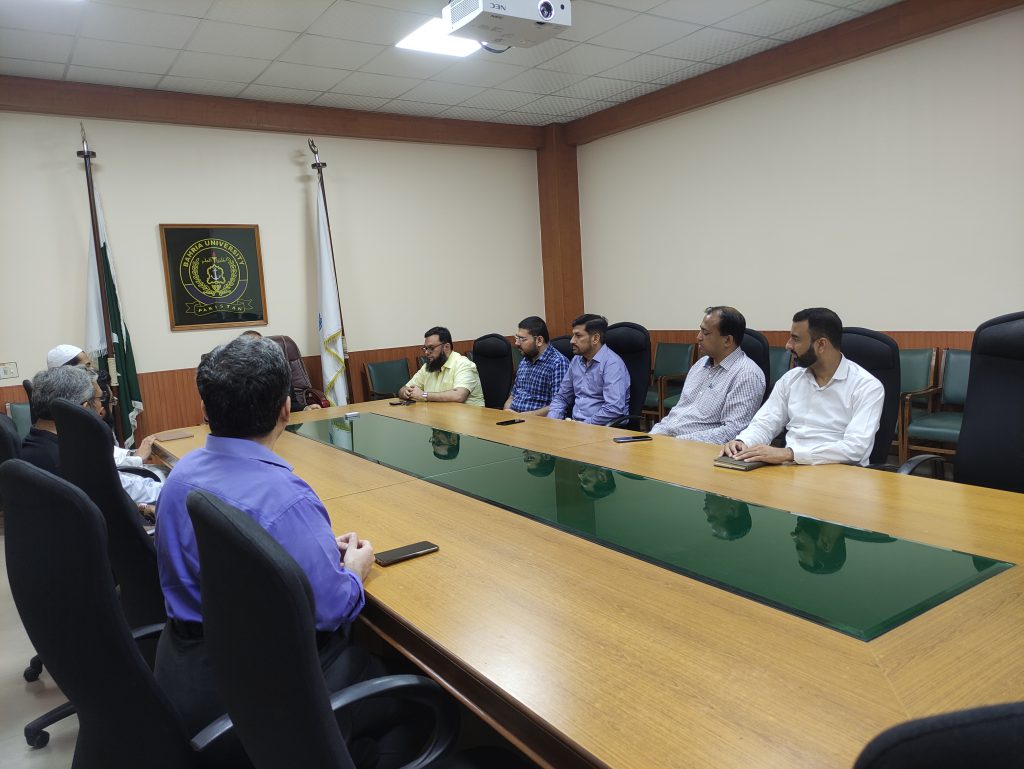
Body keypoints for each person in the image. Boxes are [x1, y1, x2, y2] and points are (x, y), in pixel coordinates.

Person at [153, 335, 380, 736]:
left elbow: (235, 556)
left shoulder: (181, 476)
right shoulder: (285, 500)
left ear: (204, 410)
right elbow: (330, 610)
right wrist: (354, 570)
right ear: (286, 409)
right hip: (263, 694)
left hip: (187, 672)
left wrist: (306, 551)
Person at [721, 307, 884, 466]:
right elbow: (765, 423)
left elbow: (855, 448)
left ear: (821, 344)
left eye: (796, 339)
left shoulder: (867, 386)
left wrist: (791, 454)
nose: (788, 345)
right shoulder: (791, 379)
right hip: (791, 468)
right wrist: (743, 442)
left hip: (841, 472)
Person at [21, 366, 164, 507]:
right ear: (82, 409)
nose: (102, 409)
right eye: (100, 399)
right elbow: (121, 493)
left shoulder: (33, 446)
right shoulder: (71, 460)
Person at [650, 306, 765, 443]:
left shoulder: (747, 374)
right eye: (700, 330)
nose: (698, 337)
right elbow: (678, 413)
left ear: (727, 340)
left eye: (705, 333)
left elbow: (733, 432)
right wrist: (652, 436)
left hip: (696, 449)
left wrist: (676, 441)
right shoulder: (699, 365)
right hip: (666, 441)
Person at [546, 314, 629, 424]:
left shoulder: (612, 364)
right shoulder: (576, 360)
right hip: (576, 425)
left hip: (604, 427)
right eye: (573, 335)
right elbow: (562, 397)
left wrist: (585, 425)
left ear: (595, 338)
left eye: (578, 336)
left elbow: (614, 409)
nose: (572, 341)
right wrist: (552, 422)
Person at [398, 326, 484, 406]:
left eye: (431, 348)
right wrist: (406, 392)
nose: (426, 352)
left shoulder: (463, 364)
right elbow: (403, 389)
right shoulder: (428, 367)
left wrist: (424, 395)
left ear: (446, 347)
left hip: (469, 415)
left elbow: (459, 396)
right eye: (425, 348)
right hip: (439, 414)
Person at [504, 316, 569, 415]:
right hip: (515, 419)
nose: (517, 343)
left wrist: (527, 416)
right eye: (517, 338)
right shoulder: (525, 360)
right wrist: (507, 413)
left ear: (539, 340)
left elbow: (558, 405)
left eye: (522, 339)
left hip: (537, 421)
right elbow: (512, 396)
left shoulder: (558, 363)